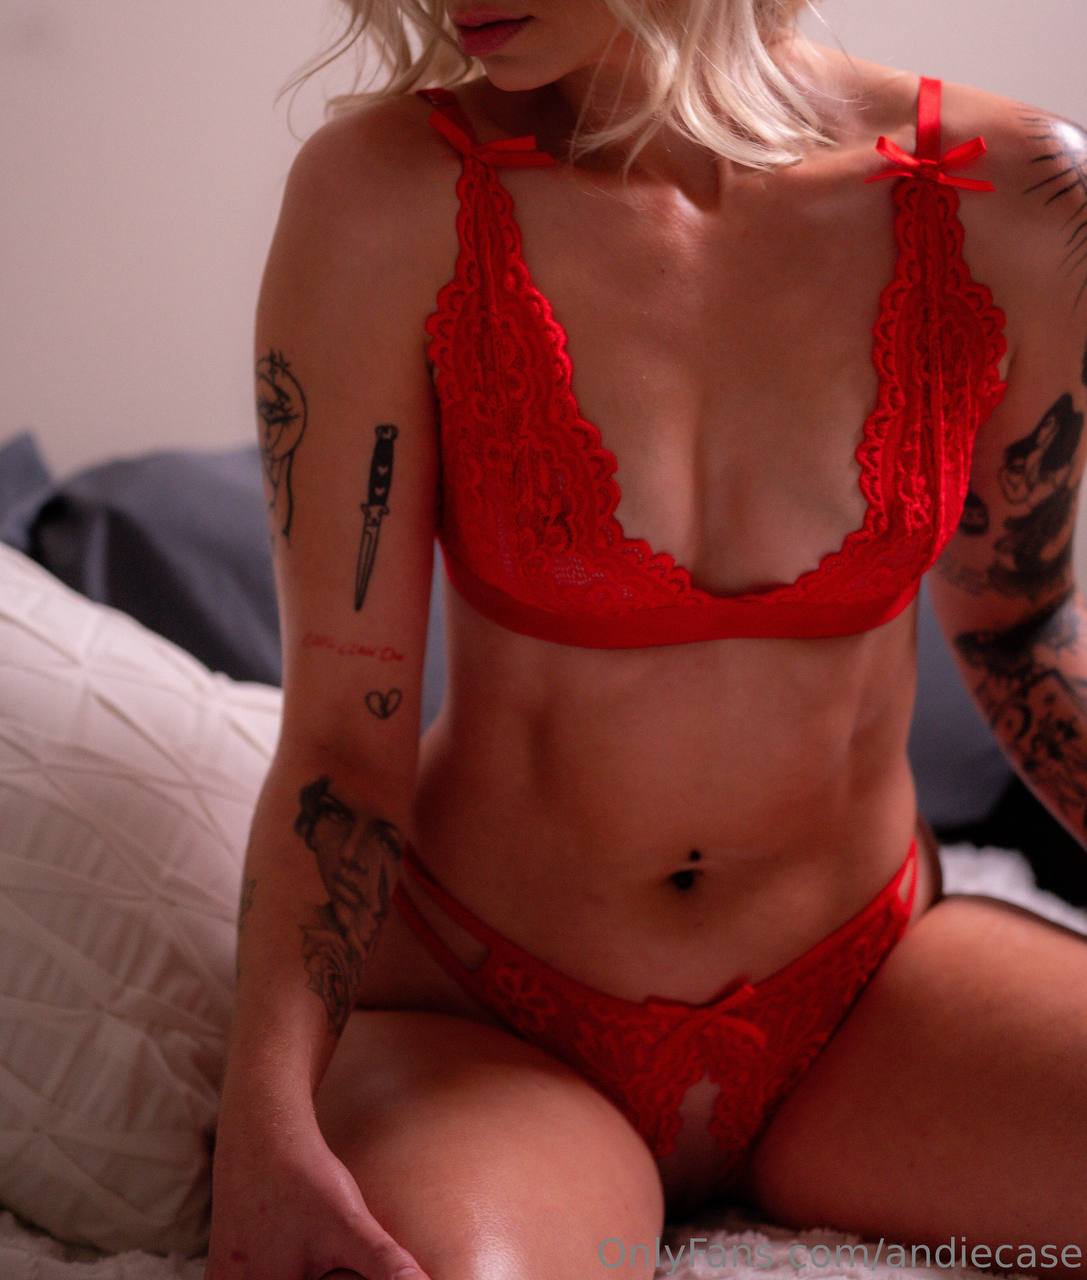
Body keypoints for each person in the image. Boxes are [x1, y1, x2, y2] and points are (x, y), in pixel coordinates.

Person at [204, 0, 1087, 1276]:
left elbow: (1020, 632)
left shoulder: (1016, 191)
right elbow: (342, 738)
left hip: (869, 993)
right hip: (491, 1016)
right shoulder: (386, 198)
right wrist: (264, 1116)